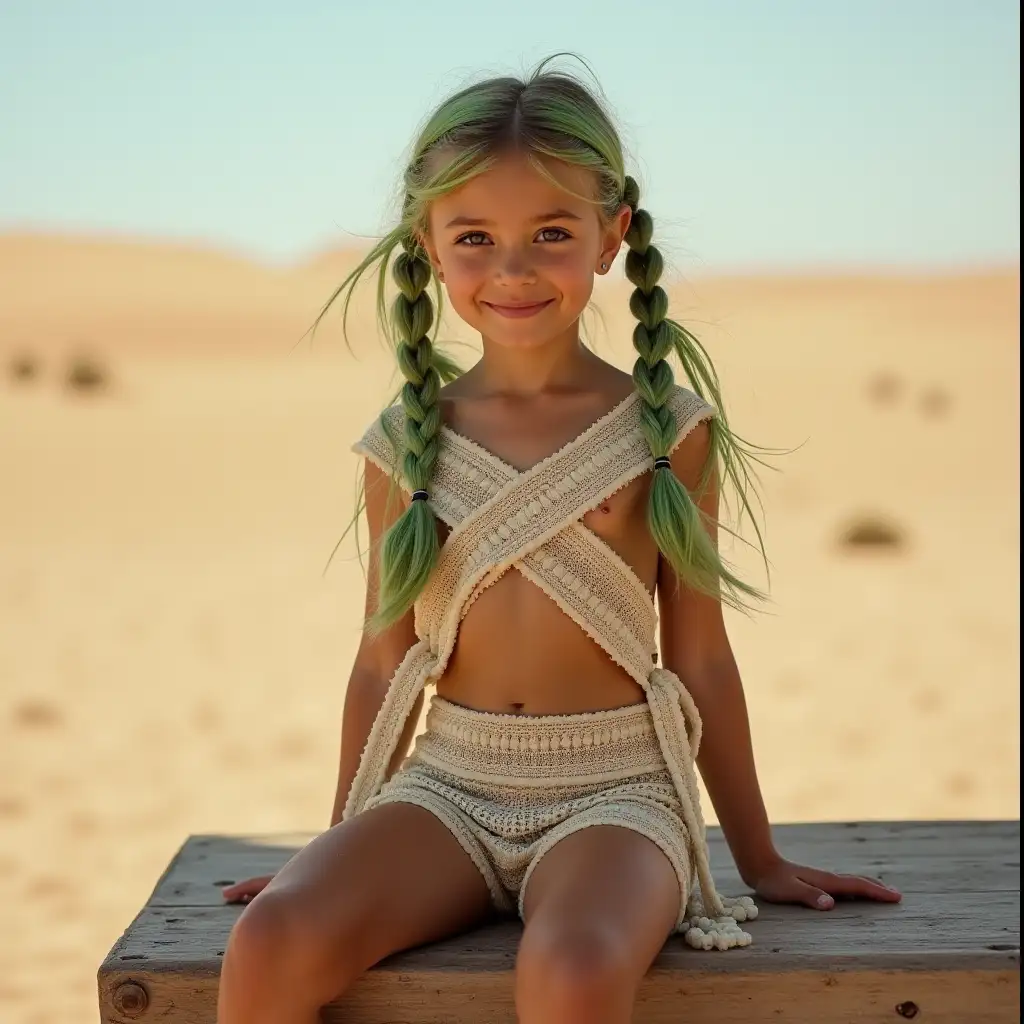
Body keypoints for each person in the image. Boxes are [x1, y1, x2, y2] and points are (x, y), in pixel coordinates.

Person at [216, 55, 901, 1024]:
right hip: (446, 784)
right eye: (474, 237)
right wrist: (333, 846)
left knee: (571, 971)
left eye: (549, 232)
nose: (512, 268)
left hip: (617, 793)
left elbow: (699, 654)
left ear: (610, 235)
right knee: (272, 938)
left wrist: (757, 856)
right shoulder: (404, 444)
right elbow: (382, 661)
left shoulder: (666, 432)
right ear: (430, 244)